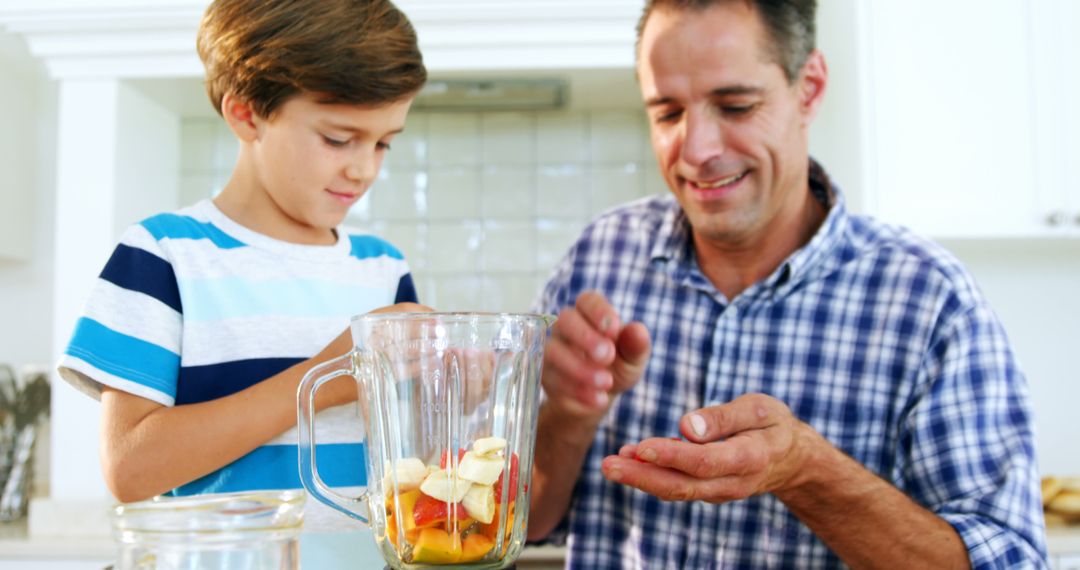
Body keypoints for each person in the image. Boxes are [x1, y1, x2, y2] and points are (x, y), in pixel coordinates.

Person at [527, 0, 1048, 568]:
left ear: (810, 89)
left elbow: (1011, 560)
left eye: (735, 105)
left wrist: (806, 470)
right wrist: (568, 418)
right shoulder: (600, 255)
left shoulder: (930, 301)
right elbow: (525, 520)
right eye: (668, 113)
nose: (697, 150)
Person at [57, 0, 427, 534]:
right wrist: (324, 380)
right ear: (247, 113)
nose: (364, 167)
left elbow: (405, 450)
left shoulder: (384, 269)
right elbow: (129, 468)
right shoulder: (164, 255)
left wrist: (458, 383)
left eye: (384, 143)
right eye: (338, 139)